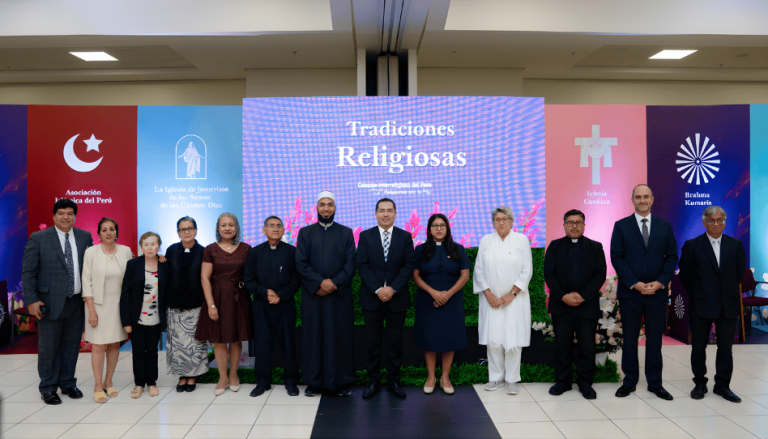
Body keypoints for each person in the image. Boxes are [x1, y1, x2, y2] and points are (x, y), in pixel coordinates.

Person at [22, 198, 93, 405]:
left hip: (75, 303)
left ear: (75, 216)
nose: (65, 217)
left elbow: (91, 266)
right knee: (48, 347)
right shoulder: (39, 238)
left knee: (71, 346)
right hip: (48, 303)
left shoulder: (84, 236)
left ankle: (68, 383)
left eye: (70, 213)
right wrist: (32, 300)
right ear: (54, 216)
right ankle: (48, 387)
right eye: (61, 213)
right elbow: (28, 272)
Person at [611, 184, 678, 400]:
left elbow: (671, 257)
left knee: (654, 340)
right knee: (630, 338)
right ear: (632, 200)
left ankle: (655, 383)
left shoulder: (665, 226)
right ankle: (629, 381)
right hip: (631, 293)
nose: (642, 200)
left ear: (652, 199)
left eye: (646, 196)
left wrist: (660, 282)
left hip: (657, 293)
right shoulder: (621, 226)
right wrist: (635, 283)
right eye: (638, 197)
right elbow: (617, 257)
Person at [679, 206, 746, 403]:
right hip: (701, 304)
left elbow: (739, 273)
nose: (715, 224)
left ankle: (722, 386)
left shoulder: (736, 245)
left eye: (719, 220)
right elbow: (685, 275)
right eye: (711, 220)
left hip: (728, 305)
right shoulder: (692, 245)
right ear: (704, 222)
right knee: (699, 348)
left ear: (725, 222)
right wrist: (700, 292)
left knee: (726, 349)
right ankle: (699, 384)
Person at [295, 191, 356, 397]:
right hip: (314, 297)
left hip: (338, 297)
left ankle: (341, 382)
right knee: (313, 338)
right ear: (317, 208)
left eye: (330, 204)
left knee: (340, 338)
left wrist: (333, 284)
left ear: (335, 208)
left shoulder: (346, 233)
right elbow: (301, 264)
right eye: (322, 204)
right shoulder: (305, 233)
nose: (326, 208)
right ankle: (314, 382)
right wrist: (320, 282)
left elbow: (350, 265)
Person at [544, 209, 607, 400]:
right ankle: (563, 382)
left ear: (584, 225)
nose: (574, 226)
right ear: (564, 225)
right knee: (562, 345)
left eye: (578, 222)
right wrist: (563, 295)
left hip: (586, 305)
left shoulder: (595, 247)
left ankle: (585, 383)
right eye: (570, 222)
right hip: (561, 304)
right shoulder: (554, 246)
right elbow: (549, 274)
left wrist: (583, 295)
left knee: (587, 346)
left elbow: (600, 274)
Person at [357, 198, 416, 399]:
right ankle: (373, 382)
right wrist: (377, 289)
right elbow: (362, 265)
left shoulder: (405, 236)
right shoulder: (365, 236)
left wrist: (391, 289)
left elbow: (408, 265)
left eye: (389, 210)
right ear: (375, 213)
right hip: (371, 299)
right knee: (372, 343)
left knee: (395, 343)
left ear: (395, 213)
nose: (385, 214)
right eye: (381, 210)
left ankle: (394, 382)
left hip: (396, 298)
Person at [473, 207, 533, 396]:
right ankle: (495, 377)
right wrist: (488, 294)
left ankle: (512, 379)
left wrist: (511, 294)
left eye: (505, 219)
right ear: (493, 222)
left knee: (513, 338)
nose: (501, 222)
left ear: (512, 221)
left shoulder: (521, 240)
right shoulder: (486, 240)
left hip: (515, 299)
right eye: (497, 219)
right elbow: (479, 269)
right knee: (493, 338)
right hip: (491, 300)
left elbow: (526, 270)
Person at [195, 212, 253, 396]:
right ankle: (222, 377)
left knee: (235, 338)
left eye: (231, 225)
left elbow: (252, 275)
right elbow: (204, 278)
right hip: (217, 297)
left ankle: (234, 375)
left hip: (239, 297)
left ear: (236, 228)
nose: (227, 228)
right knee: (219, 339)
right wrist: (211, 305)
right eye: (223, 225)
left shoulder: (246, 248)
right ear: (218, 228)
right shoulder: (210, 249)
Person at [413, 213, 470, 395]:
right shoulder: (420, 250)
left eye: (442, 225)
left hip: (451, 300)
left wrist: (447, 294)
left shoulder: (458, 249)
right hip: (427, 300)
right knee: (429, 338)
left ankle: (445, 377)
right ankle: (431, 377)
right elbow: (415, 275)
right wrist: (434, 293)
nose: (438, 228)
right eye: (435, 225)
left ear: (447, 228)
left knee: (449, 337)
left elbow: (465, 275)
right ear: (429, 229)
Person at [244, 216, 301, 397]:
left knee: (288, 344)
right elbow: (248, 280)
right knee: (262, 344)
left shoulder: (292, 252)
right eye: (271, 226)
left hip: (285, 305)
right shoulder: (254, 253)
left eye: (279, 226)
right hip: (261, 305)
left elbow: (296, 279)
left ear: (284, 231)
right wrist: (265, 293)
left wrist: (280, 295)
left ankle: (291, 381)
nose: (275, 229)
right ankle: (262, 382)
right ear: (264, 230)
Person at [82, 218, 132, 402]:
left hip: (119, 306)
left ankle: (108, 381)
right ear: (99, 233)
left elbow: (136, 271)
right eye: (104, 230)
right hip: (97, 306)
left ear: (116, 232)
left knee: (114, 343)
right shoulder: (91, 252)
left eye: (112, 229)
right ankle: (97, 384)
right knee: (98, 345)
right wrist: (91, 310)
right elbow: (86, 281)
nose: (108, 232)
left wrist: (159, 258)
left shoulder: (126, 251)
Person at [120, 231, 168, 399]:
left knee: (153, 351)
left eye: (153, 244)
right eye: (146, 244)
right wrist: (126, 320)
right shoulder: (133, 264)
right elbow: (125, 294)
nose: (149, 247)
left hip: (156, 318)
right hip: (136, 318)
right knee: (138, 351)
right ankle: (139, 383)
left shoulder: (164, 265)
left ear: (159, 246)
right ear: (141, 246)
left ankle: (152, 382)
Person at [165, 216, 208, 393]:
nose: (187, 232)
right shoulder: (171, 251)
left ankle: (193, 375)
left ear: (196, 230)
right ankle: (182, 376)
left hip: (196, 306)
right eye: (183, 229)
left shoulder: (204, 252)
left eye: (190, 228)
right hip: (175, 307)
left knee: (194, 344)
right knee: (178, 345)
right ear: (178, 232)